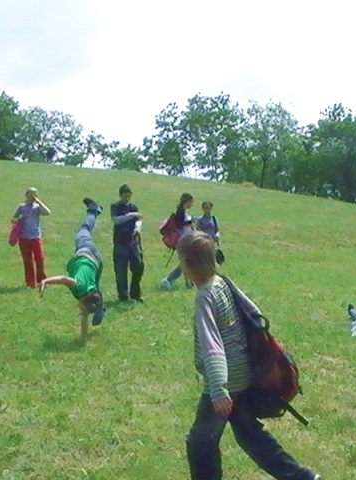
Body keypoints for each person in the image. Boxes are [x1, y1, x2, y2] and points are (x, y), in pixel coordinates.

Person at [178, 232, 321, 480]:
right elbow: (255, 314)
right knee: (249, 434)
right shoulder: (222, 282)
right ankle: (303, 477)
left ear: (188, 264)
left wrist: (218, 389)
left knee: (200, 441)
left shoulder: (205, 297)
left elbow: (212, 345)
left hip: (225, 383)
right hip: (242, 373)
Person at [39, 198, 106, 344]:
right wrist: (45, 281)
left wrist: (83, 338)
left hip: (97, 263)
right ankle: (94, 209)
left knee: (96, 288)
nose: (80, 311)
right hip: (86, 249)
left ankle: (99, 309)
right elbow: (64, 280)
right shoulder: (79, 287)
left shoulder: (89, 293)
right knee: (84, 230)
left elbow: (84, 316)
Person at [110, 184, 144, 302]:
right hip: (120, 242)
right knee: (121, 270)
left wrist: (137, 228)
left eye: (129, 196)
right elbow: (116, 220)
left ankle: (135, 293)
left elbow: (139, 219)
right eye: (125, 196)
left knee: (138, 267)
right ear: (120, 195)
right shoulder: (115, 206)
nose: (127, 199)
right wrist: (131, 215)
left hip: (133, 242)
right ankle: (122, 295)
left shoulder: (134, 206)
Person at [12, 187, 51, 288]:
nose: (32, 197)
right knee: (27, 260)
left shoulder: (37, 208)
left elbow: (48, 212)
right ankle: (30, 283)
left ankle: (41, 281)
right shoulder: (21, 207)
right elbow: (13, 219)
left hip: (35, 237)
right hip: (24, 238)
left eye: (34, 195)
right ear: (26, 195)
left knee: (40, 259)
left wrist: (38, 201)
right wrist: (18, 218)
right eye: (30, 195)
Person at [160, 193, 195, 290]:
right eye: (191, 202)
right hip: (182, 240)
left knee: (187, 262)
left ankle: (189, 284)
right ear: (186, 201)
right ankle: (168, 280)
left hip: (186, 239)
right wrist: (190, 222)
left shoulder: (183, 211)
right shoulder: (180, 211)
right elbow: (179, 224)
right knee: (185, 263)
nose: (192, 204)